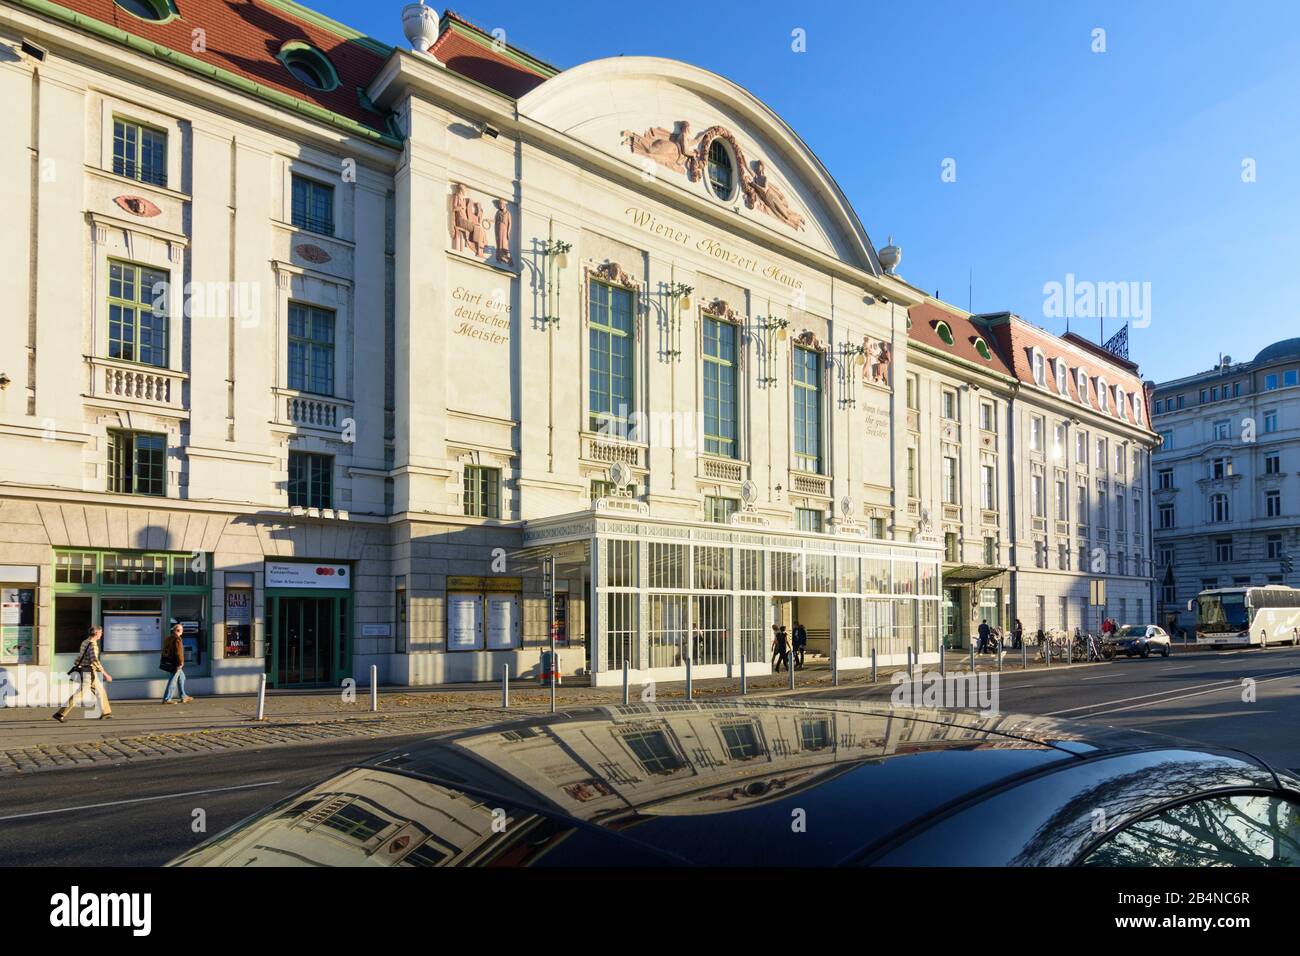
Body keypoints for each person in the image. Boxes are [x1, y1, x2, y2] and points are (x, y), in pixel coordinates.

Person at [54, 625, 112, 722]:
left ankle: (106, 713)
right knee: (80, 693)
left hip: (87, 670)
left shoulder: (85, 642)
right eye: (101, 633)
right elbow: (94, 660)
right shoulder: (93, 645)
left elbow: (80, 657)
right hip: (89, 672)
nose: (101, 635)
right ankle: (60, 713)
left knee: (100, 691)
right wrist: (105, 674)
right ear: (97, 633)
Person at [160, 622, 194, 704]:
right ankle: (167, 698)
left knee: (182, 677)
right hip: (176, 663)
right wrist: (181, 663)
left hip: (170, 662)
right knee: (173, 680)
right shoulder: (177, 639)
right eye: (182, 630)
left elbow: (165, 650)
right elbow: (179, 653)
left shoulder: (169, 638)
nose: (182, 631)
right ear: (178, 630)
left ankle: (183, 696)